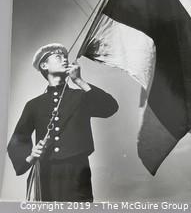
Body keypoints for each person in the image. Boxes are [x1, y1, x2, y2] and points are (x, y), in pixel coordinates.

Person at [7, 43, 118, 202]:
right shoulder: (34, 105)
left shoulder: (81, 96)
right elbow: (18, 139)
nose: (65, 60)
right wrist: (30, 156)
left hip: (78, 170)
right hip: (47, 170)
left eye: (65, 57)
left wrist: (79, 80)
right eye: (58, 57)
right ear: (44, 65)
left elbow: (110, 107)